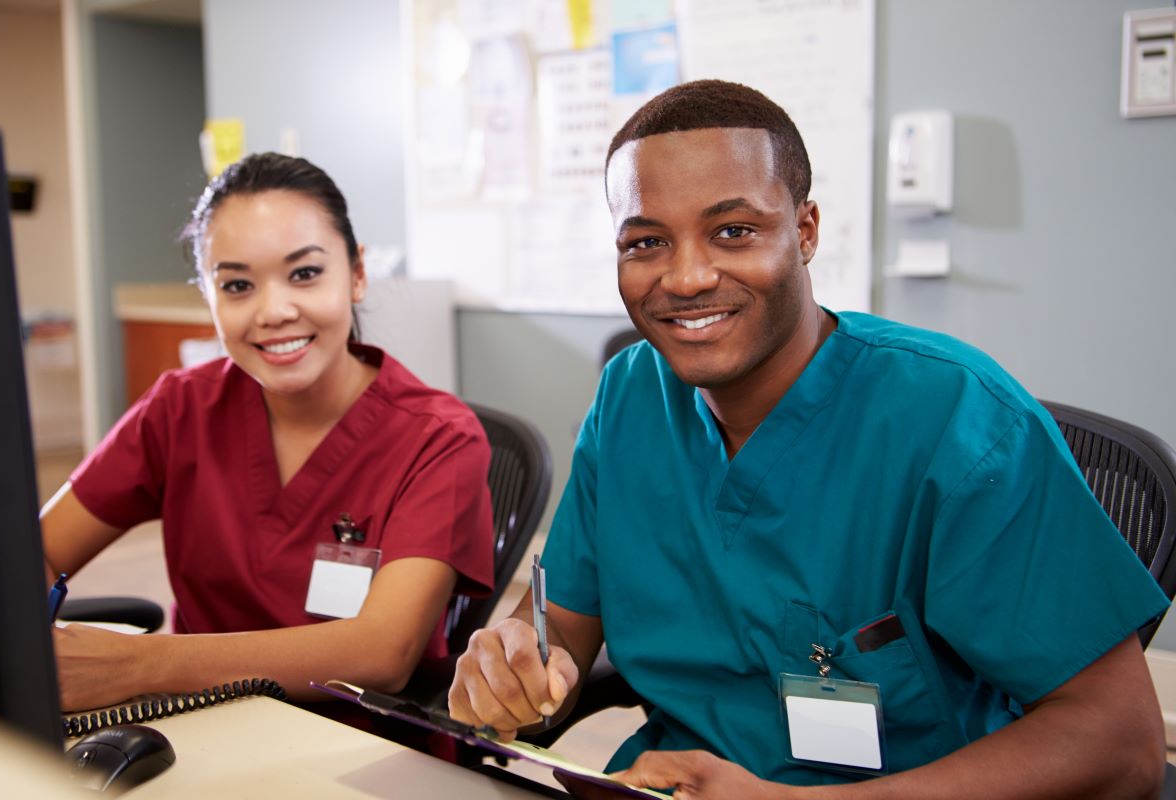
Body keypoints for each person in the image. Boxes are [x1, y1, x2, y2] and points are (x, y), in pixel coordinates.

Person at [448, 80, 1170, 797]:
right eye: (646, 242)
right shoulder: (631, 395)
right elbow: (564, 625)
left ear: (805, 231)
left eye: (734, 231)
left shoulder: (958, 419)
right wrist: (514, 659)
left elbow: (1121, 743)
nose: (688, 276)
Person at [43, 153, 494, 713]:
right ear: (207, 295)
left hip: (361, 751)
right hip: (200, 727)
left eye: (304, 273)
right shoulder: (180, 409)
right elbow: (37, 550)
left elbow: (384, 651)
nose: (273, 311)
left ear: (356, 273)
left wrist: (138, 665)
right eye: (237, 285)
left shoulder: (438, 439)